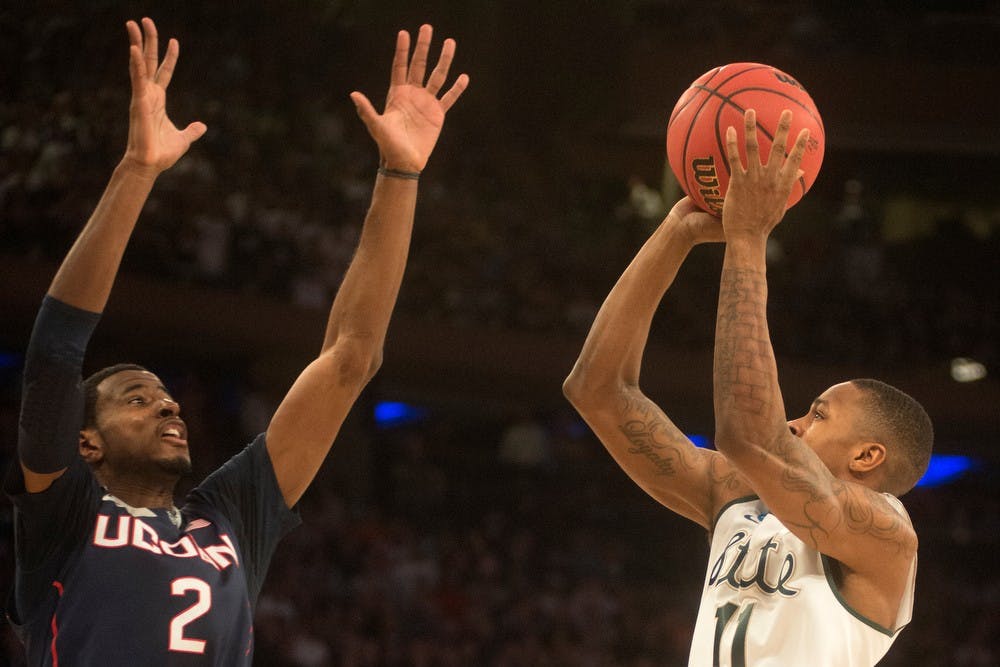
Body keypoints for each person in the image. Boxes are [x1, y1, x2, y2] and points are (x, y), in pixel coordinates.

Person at [5, 17, 467, 665]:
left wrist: (399, 173)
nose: (169, 406)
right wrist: (137, 170)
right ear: (87, 441)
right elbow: (55, 350)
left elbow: (350, 357)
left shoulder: (229, 514)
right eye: (137, 398)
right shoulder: (63, 513)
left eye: (166, 396)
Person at [564, 109, 932, 666]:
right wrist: (677, 232)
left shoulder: (886, 536)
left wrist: (748, 239)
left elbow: (750, 437)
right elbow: (597, 389)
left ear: (867, 455)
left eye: (818, 414)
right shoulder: (736, 498)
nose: (795, 422)